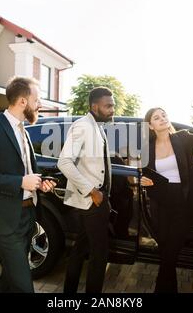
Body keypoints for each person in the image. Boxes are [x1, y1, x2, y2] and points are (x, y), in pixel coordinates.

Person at [0, 76, 56, 293]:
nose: (40, 104)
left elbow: (22, 171)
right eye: (38, 99)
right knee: (24, 286)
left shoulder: (23, 131)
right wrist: (20, 182)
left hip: (27, 217)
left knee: (9, 279)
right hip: (3, 221)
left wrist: (38, 182)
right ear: (23, 101)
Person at [140, 107, 193, 293]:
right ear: (151, 125)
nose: (162, 118)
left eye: (164, 115)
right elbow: (140, 173)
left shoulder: (183, 138)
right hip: (159, 202)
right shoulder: (147, 147)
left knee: (170, 252)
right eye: (157, 118)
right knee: (166, 250)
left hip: (182, 202)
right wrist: (141, 179)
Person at [57, 87, 115, 293]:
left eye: (113, 105)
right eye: (108, 106)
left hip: (95, 200)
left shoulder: (96, 126)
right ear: (94, 106)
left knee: (80, 249)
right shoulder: (82, 125)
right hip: (91, 200)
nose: (112, 109)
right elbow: (64, 162)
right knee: (100, 255)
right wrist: (92, 191)